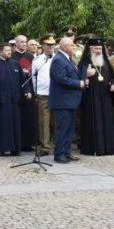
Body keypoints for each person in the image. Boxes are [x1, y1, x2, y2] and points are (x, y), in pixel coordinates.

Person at [48, 35, 85, 164]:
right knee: (62, 129)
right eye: (71, 45)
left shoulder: (68, 59)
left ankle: (67, 152)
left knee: (69, 129)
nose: (73, 47)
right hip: (62, 101)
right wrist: (79, 83)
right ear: (64, 47)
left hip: (70, 101)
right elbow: (61, 79)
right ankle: (59, 154)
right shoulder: (59, 59)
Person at [77, 38, 114, 156]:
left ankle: (108, 148)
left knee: (107, 121)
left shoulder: (105, 61)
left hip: (105, 97)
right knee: (93, 121)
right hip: (91, 98)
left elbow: (112, 76)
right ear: (90, 49)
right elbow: (79, 78)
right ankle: (93, 148)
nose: (99, 51)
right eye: (96, 48)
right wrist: (86, 76)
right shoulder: (85, 61)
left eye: (100, 48)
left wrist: (113, 84)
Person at [31, 35, 56, 156]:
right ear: (43, 46)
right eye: (48, 45)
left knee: (57, 121)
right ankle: (45, 147)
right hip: (43, 94)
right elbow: (34, 79)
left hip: (57, 94)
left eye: (52, 45)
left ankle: (59, 145)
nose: (51, 47)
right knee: (44, 122)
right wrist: (36, 92)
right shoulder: (37, 61)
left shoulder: (58, 58)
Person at [11, 35, 37, 151]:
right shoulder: (12, 56)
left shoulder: (30, 56)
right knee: (17, 117)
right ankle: (17, 142)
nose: (24, 44)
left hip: (29, 90)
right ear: (16, 44)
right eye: (21, 42)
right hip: (16, 89)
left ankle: (28, 143)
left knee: (28, 116)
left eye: (25, 42)